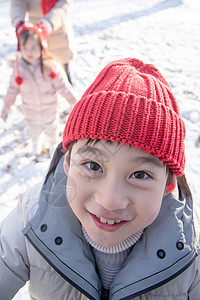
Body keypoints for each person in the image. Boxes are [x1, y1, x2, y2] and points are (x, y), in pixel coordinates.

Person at [0, 58, 200, 299]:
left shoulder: (192, 247)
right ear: (68, 164)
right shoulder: (31, 215)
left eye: (140, 174)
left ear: (168, 185)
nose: (110, 201)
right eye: (93, 166)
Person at [0, 22, 77, 155]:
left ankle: (53, 143)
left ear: (41, 46)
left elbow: (63, 86)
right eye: (25, 48)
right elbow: (12, 89)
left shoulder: (50, 67)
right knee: (33, 130)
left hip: (50, 110)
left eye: (33, 47)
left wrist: (74, 102)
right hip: (31, 111)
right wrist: (6, 106)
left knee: (52, 129)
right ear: (20, 49)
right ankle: (36, 142)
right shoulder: (19, 69)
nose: (29, 52)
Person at [10, 0, 75, 84]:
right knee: (39, 83)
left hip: (58, 38)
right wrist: (18, 20)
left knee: (64, 82)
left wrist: (47, 24)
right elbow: (18, 2)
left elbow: (63, 6)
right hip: (34, 40)